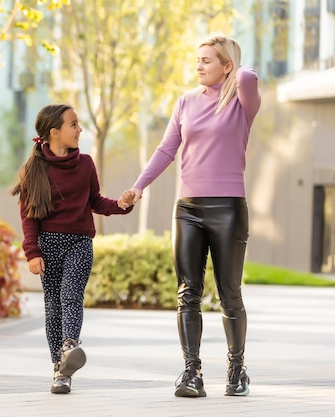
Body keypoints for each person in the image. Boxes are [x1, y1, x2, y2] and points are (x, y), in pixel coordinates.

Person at [119, 33, 261, 398]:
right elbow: (167, 149)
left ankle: (236, 368)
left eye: (207, 60)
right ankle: (192, 372)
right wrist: (139, 186)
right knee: (187, 294)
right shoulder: (185, 102)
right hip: (188, 209)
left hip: (228, 208)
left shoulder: (241, 101)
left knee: (229, 293)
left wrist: (232, 63)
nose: (199, 65)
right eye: (197, 59)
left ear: (227, 66)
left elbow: (248, 77)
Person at [11, 104, 133, 394]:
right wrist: (32, 252)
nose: (80, 130)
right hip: (48, 245)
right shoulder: (33, 170)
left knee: (71, 295)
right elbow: (29, 216)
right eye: (74, 125)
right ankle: (61, 370)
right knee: (53, 307)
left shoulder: (86, 164)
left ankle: (70, 345)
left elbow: (96, 201)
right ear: (54, 133)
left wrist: (121, 205)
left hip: (79, 243)